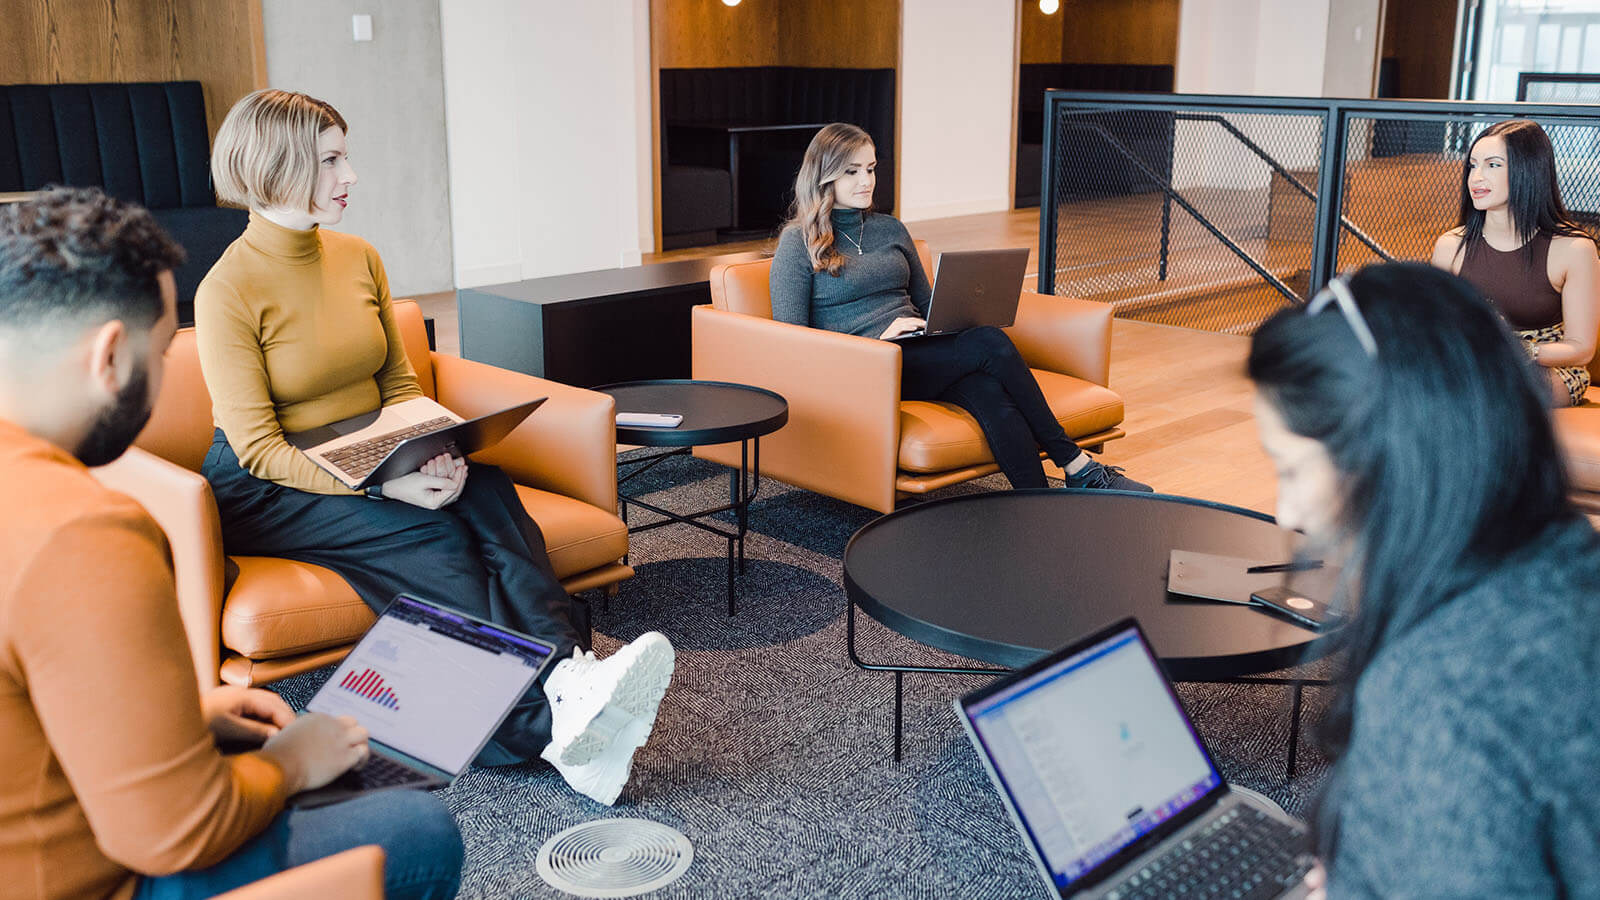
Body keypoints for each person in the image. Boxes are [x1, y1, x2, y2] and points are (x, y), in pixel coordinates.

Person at [194, 89, 672, 806]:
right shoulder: (227, 289)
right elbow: (259, 446)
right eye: (331, 160)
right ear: (276, 166)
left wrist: (433, 450)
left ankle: (571, 683)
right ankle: (551, 718)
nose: (350, 175)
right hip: (270, 486)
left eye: (345, 156)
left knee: (487, 490)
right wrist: (383, 487)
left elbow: (396, 381)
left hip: (369, 450)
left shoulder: (357, 257)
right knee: (433, 536)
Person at [0, 187, 463, 900]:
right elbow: (174, 831)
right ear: (112, 358)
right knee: (419, 830)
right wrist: (291, 764)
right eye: (161, 351)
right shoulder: (85, 532)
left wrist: (184, 722)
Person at [1248, 262, 1599, 898]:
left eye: (1292, 470)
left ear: (1395, 458)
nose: (1286, 512)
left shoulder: (1438, 695)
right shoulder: (1571, 566)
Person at [768, 122, 1150, 493]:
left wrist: (963, 305)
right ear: (825, 176)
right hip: (867, 367)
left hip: (916, 351)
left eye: (870, 169)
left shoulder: (891, 229)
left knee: (988, 392)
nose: (866, 181)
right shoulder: (797, 243)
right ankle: (1076, 464)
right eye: (852, 172)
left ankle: (1038, 506)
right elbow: (794, 345)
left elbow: (925, 302)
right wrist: (876, 340)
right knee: (987, 342)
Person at [1431, 118, 1600, 407]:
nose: (1476, 177)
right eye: (1473, 165)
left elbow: (1582, 349)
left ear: (1528, 171)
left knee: (1486, 393)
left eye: (1493, 165)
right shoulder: (1450, 245)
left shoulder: (1574, 249)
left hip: (1547, 369)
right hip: (1471, 363)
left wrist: (1513, 348)